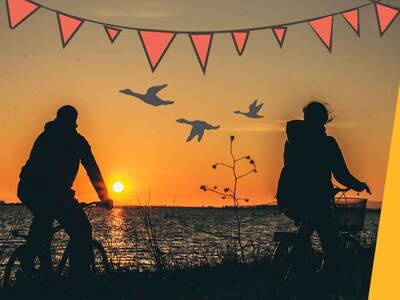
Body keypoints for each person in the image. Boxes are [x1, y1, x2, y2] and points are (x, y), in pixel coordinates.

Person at [278, 101, 370, 296]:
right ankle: (322, 286)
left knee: (306, 234)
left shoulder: (293, 140)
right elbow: (341, 174)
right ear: (324, 119)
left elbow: (289, 167)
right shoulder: (327, 143)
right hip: (317, 202)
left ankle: (300, 276)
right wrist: (359, 185)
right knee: (331, 249)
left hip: (290, 199)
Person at [17, 105, 113, 289]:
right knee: (82, 231)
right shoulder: (75, 141)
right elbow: (92, 169)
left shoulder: (45, 136)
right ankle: (77, 281)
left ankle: (34, 259)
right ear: (74, 122)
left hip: (29, 189)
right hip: (48, 192)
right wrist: (104, 197)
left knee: (44, 221)